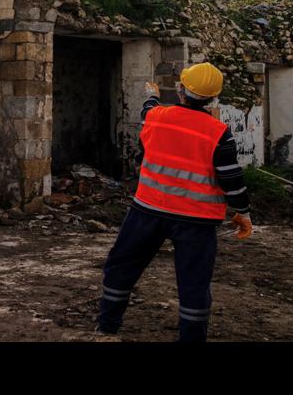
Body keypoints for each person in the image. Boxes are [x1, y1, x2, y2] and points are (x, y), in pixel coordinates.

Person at [96, 63, 252, 342]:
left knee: (122, 267)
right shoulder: (219, 131)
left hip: (148, 211)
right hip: (198, 221)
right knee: (194, 282)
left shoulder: (157, 117)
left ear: (181, 89)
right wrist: (242, 212)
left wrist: (151, 94)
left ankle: (107, 325)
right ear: (213, 98)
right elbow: (232, 178)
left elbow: (147, 111)